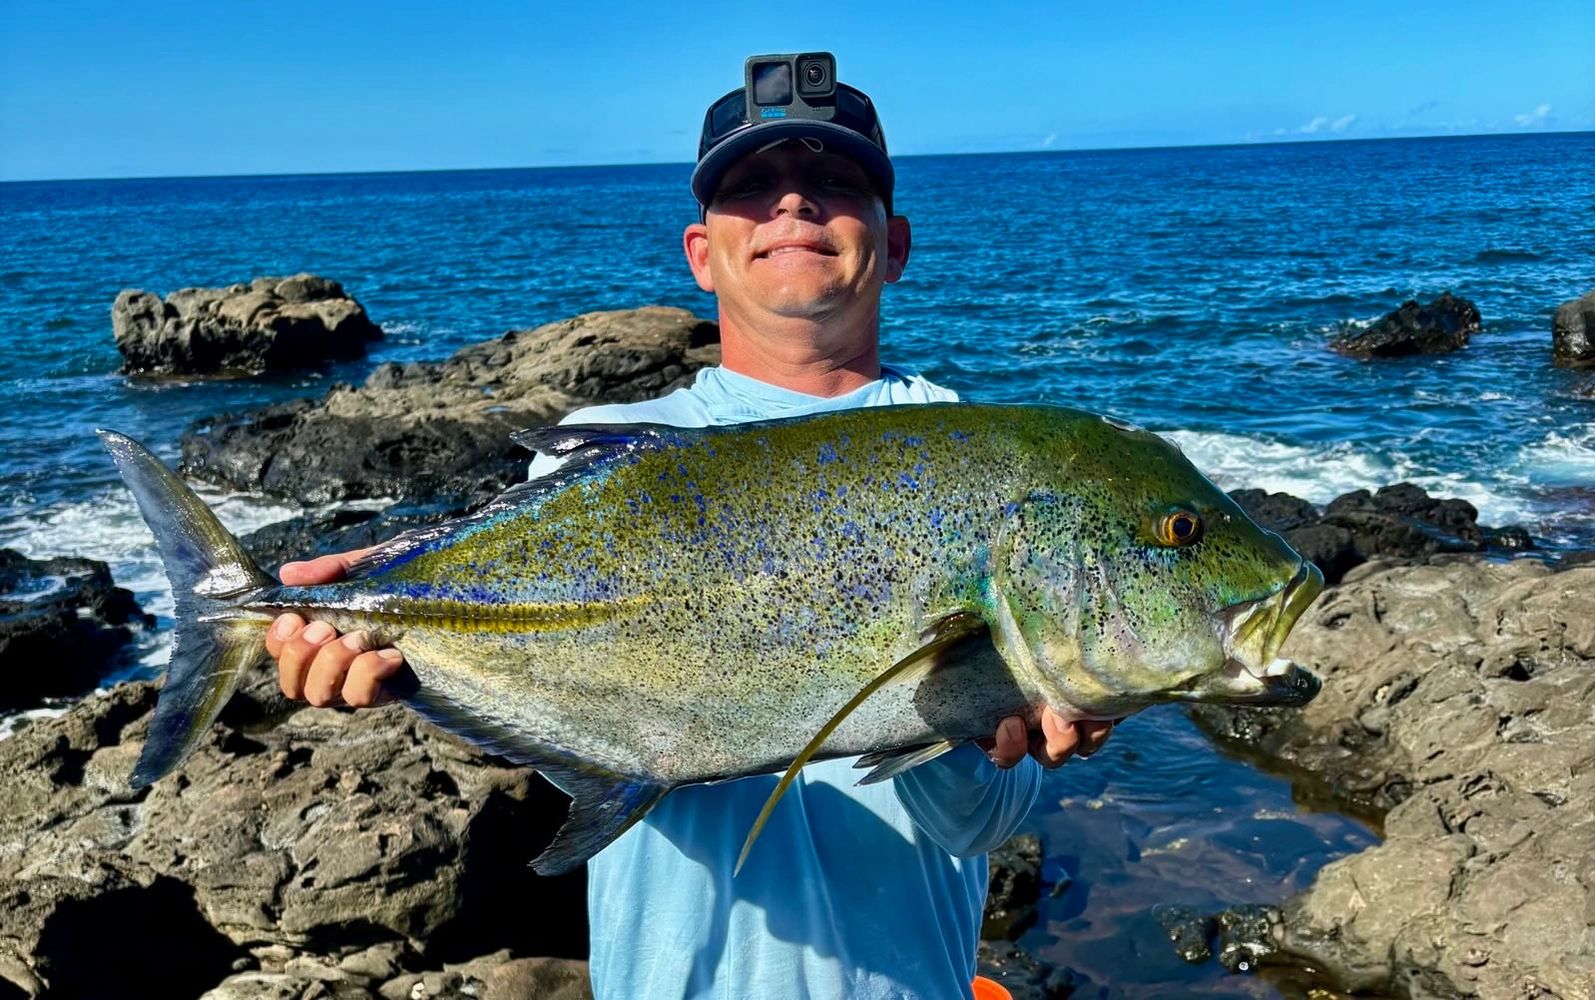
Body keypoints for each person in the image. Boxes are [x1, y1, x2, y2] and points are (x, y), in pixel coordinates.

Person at [266, 55, 1114, 999]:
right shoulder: (603, 459)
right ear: (701, 254)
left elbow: (974, 828)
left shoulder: (980, 456)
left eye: (835, 183)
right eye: (752, 188)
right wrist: (393, 648)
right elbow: (575, 741)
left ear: (895, 241)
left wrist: (978, 737)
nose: (792, 207)